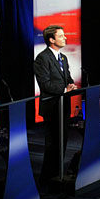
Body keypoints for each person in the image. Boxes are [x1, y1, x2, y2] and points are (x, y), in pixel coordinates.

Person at [33, 25, 77, 184]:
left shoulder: (63, 57)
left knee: (62, 141)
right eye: (61, 36)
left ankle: (58, 173)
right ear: (51, 40)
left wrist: (71, 85)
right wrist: (64, 90)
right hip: (51, 107)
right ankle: (48, 178)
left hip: (63, 106)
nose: (65, 38)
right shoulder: (42, 58)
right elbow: (45, 84)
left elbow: (68, 77)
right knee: (52, 143)